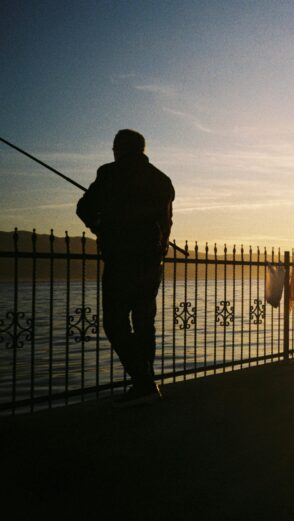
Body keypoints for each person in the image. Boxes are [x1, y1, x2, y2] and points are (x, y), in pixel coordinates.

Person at [77, 129, 174, 406]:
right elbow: (166, 223)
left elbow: (84, 207)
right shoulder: (161, 180)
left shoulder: (109, 173)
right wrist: (160, 247)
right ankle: (146, 381)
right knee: (144, 324)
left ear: (120, 149)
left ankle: (143, 382)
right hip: (150, 262)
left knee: (115, 323)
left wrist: (99, 226)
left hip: (121, 259)